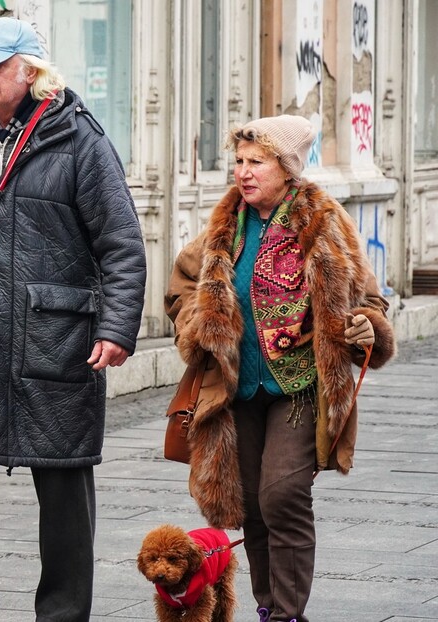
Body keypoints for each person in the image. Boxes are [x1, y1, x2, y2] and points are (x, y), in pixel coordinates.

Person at [0, 17, 147, 622]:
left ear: (33, 71)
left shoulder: (79, 141)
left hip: (55, 335)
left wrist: (116, 327)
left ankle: (64, 612)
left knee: (64, 484)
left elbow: (122, 244)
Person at [164, 115, 396, 622]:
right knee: (248, 503)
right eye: (239, 162)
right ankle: (268, 606)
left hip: (300, 388)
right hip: (235, 388)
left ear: (287, 169)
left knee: (282, 494)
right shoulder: (225, 225)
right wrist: (196, 320)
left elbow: (371, 301)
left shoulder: (323, 223)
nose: (243, 173)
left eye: (256, 163)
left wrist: (366, 328)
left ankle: (290, 613)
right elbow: (181, 284)